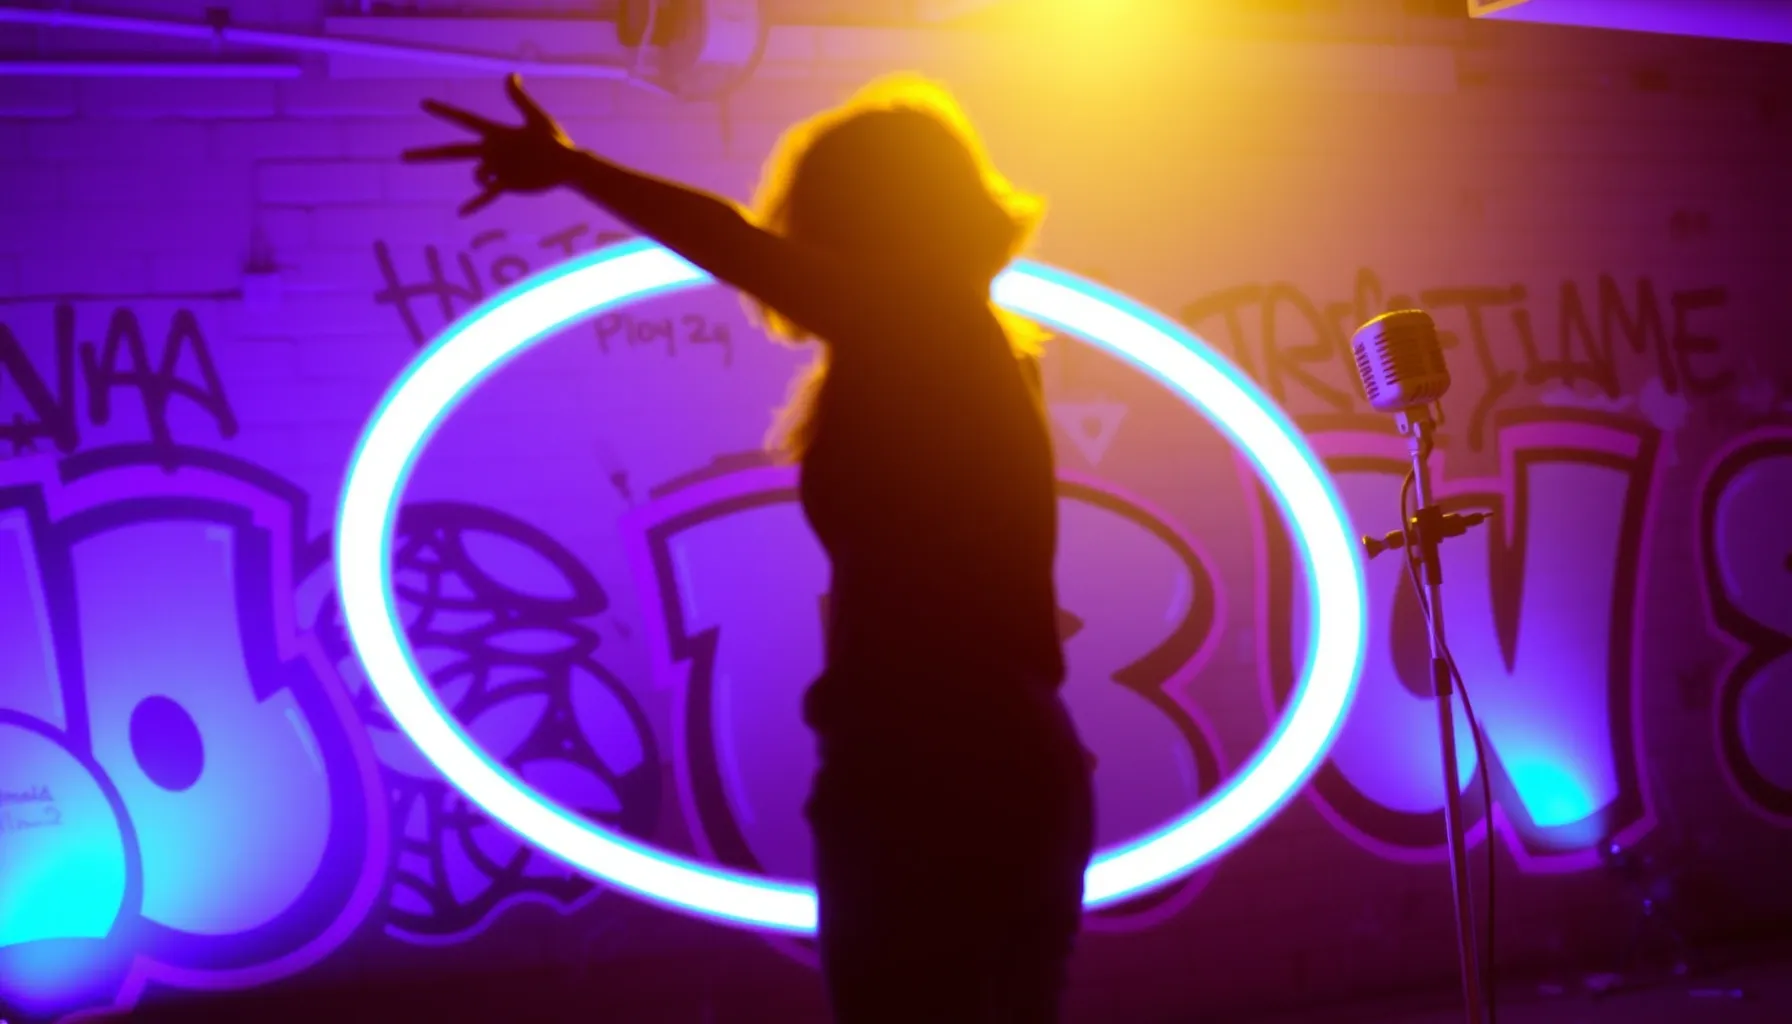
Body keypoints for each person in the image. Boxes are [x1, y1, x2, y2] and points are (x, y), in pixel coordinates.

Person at [407, 72, 1096, 1023]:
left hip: (928, 769)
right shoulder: (971, 351)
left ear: (858, 222)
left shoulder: (921, 326)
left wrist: (574, 169)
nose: (792, 241)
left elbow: (732, 243)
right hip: (1002, 761)